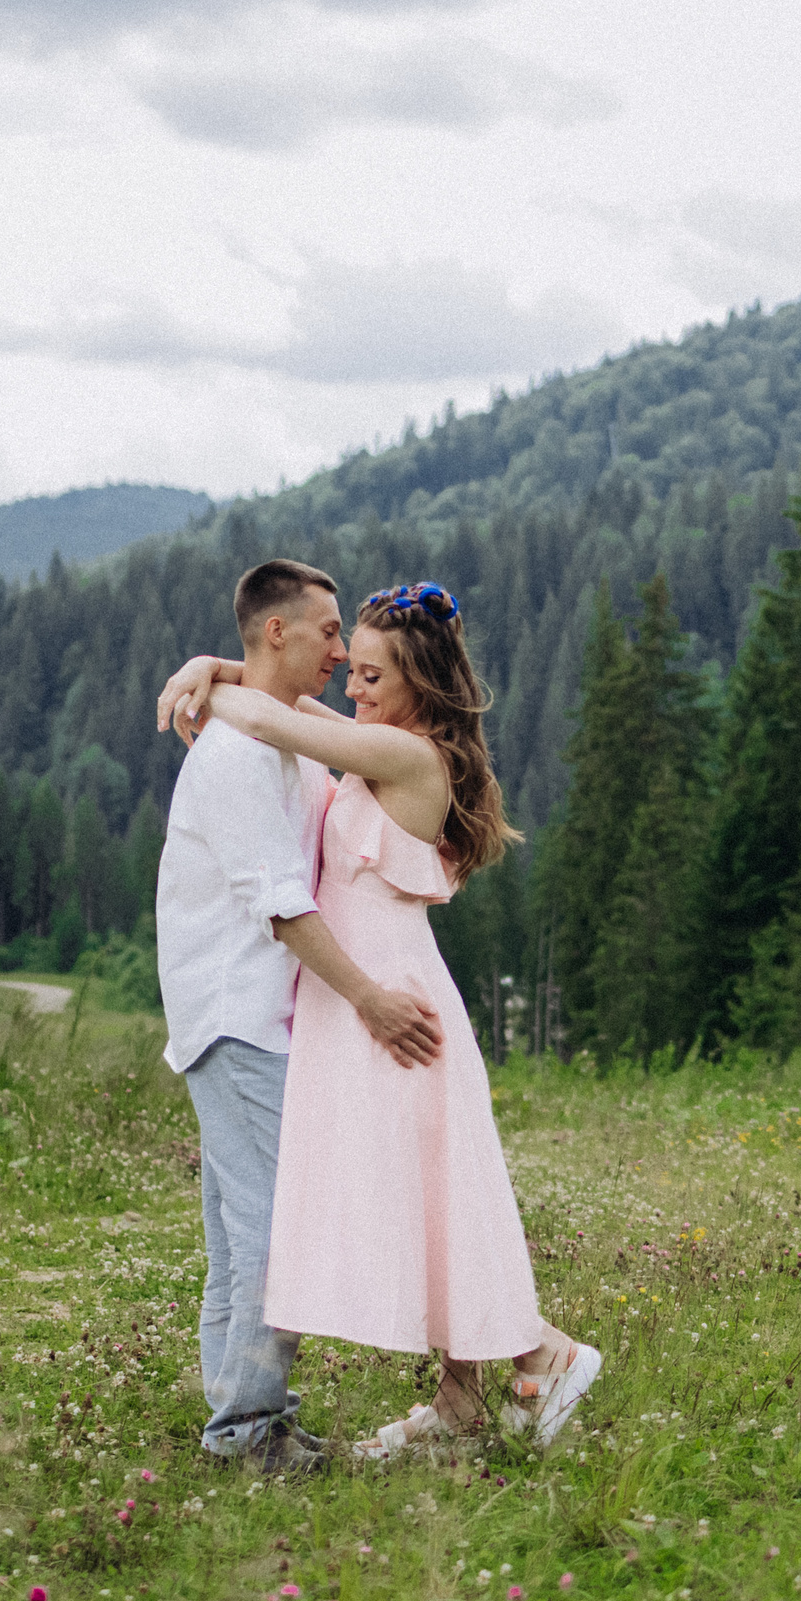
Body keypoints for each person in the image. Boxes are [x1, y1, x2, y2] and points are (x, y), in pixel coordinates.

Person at [158, 580, 602, 1455]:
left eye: (367, 673)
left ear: (417, 683)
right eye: (345, 664)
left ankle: (540, 1354)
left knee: (439, 1198)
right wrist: (221, 667)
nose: (349, 684)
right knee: (428, 1197)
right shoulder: (373, 750)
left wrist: (214, 671)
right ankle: (464, 1401)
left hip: (391, 1002)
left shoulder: (404, 758)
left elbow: (286, 721)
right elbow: (291, 719)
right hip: (364, 1002)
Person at [155, 558, 446, 1473]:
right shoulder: (237, 757)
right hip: (238, 1017)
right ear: (277, 630)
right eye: (327, 632)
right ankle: (247, 1432)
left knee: (240, 1234)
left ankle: (243, 1424)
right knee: (277, 1231)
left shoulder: (276, 742)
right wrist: (369, 999)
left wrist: (218, 668)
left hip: (260, 1019)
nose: (338, 650)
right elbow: (280, 904)